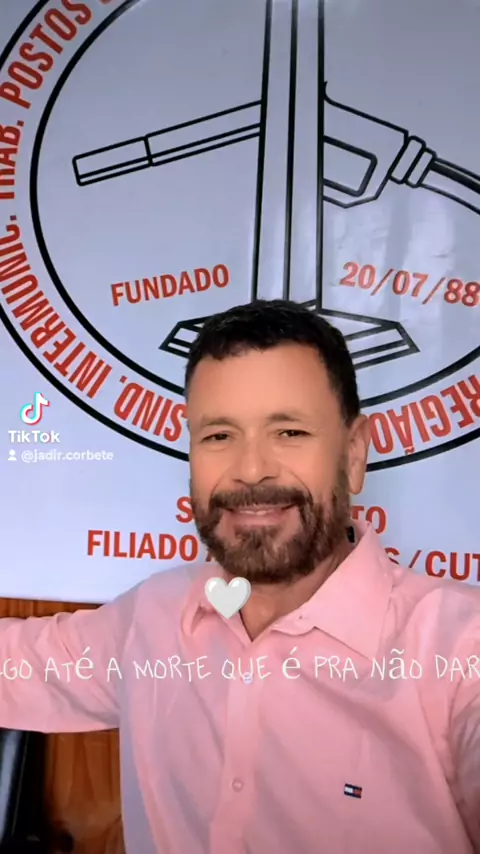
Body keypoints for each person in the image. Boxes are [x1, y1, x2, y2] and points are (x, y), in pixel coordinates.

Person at [1, 299, 479, 853]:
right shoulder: (153, 617)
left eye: (290, 432)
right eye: (219, 436)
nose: (251, 471)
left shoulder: (459, 650)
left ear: (353, 455)